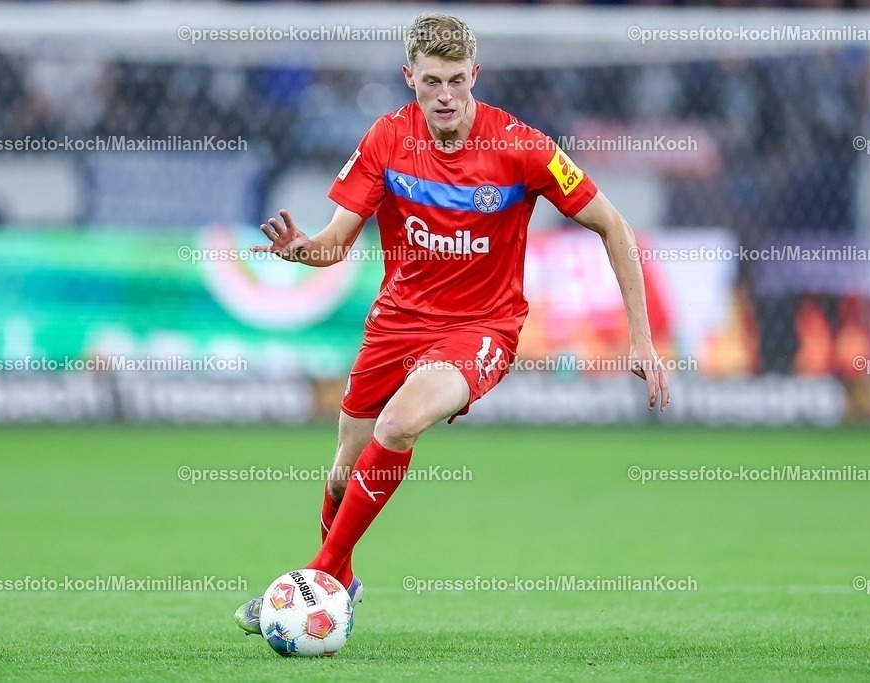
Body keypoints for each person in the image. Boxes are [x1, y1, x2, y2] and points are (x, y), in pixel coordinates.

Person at [235, 12, 669, 634]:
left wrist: (642, 339)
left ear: (475, 76)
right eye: (432, 81)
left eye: (458, 82)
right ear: (409, 76)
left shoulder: (522, 146)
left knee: (400, 422)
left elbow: (614, 225)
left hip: (481, 328)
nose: (445, 96)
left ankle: (318, 579)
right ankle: (340, 579)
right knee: (342, 474)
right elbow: (337, 241)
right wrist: (303, 250)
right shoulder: (386, 140)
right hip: (396, 322)